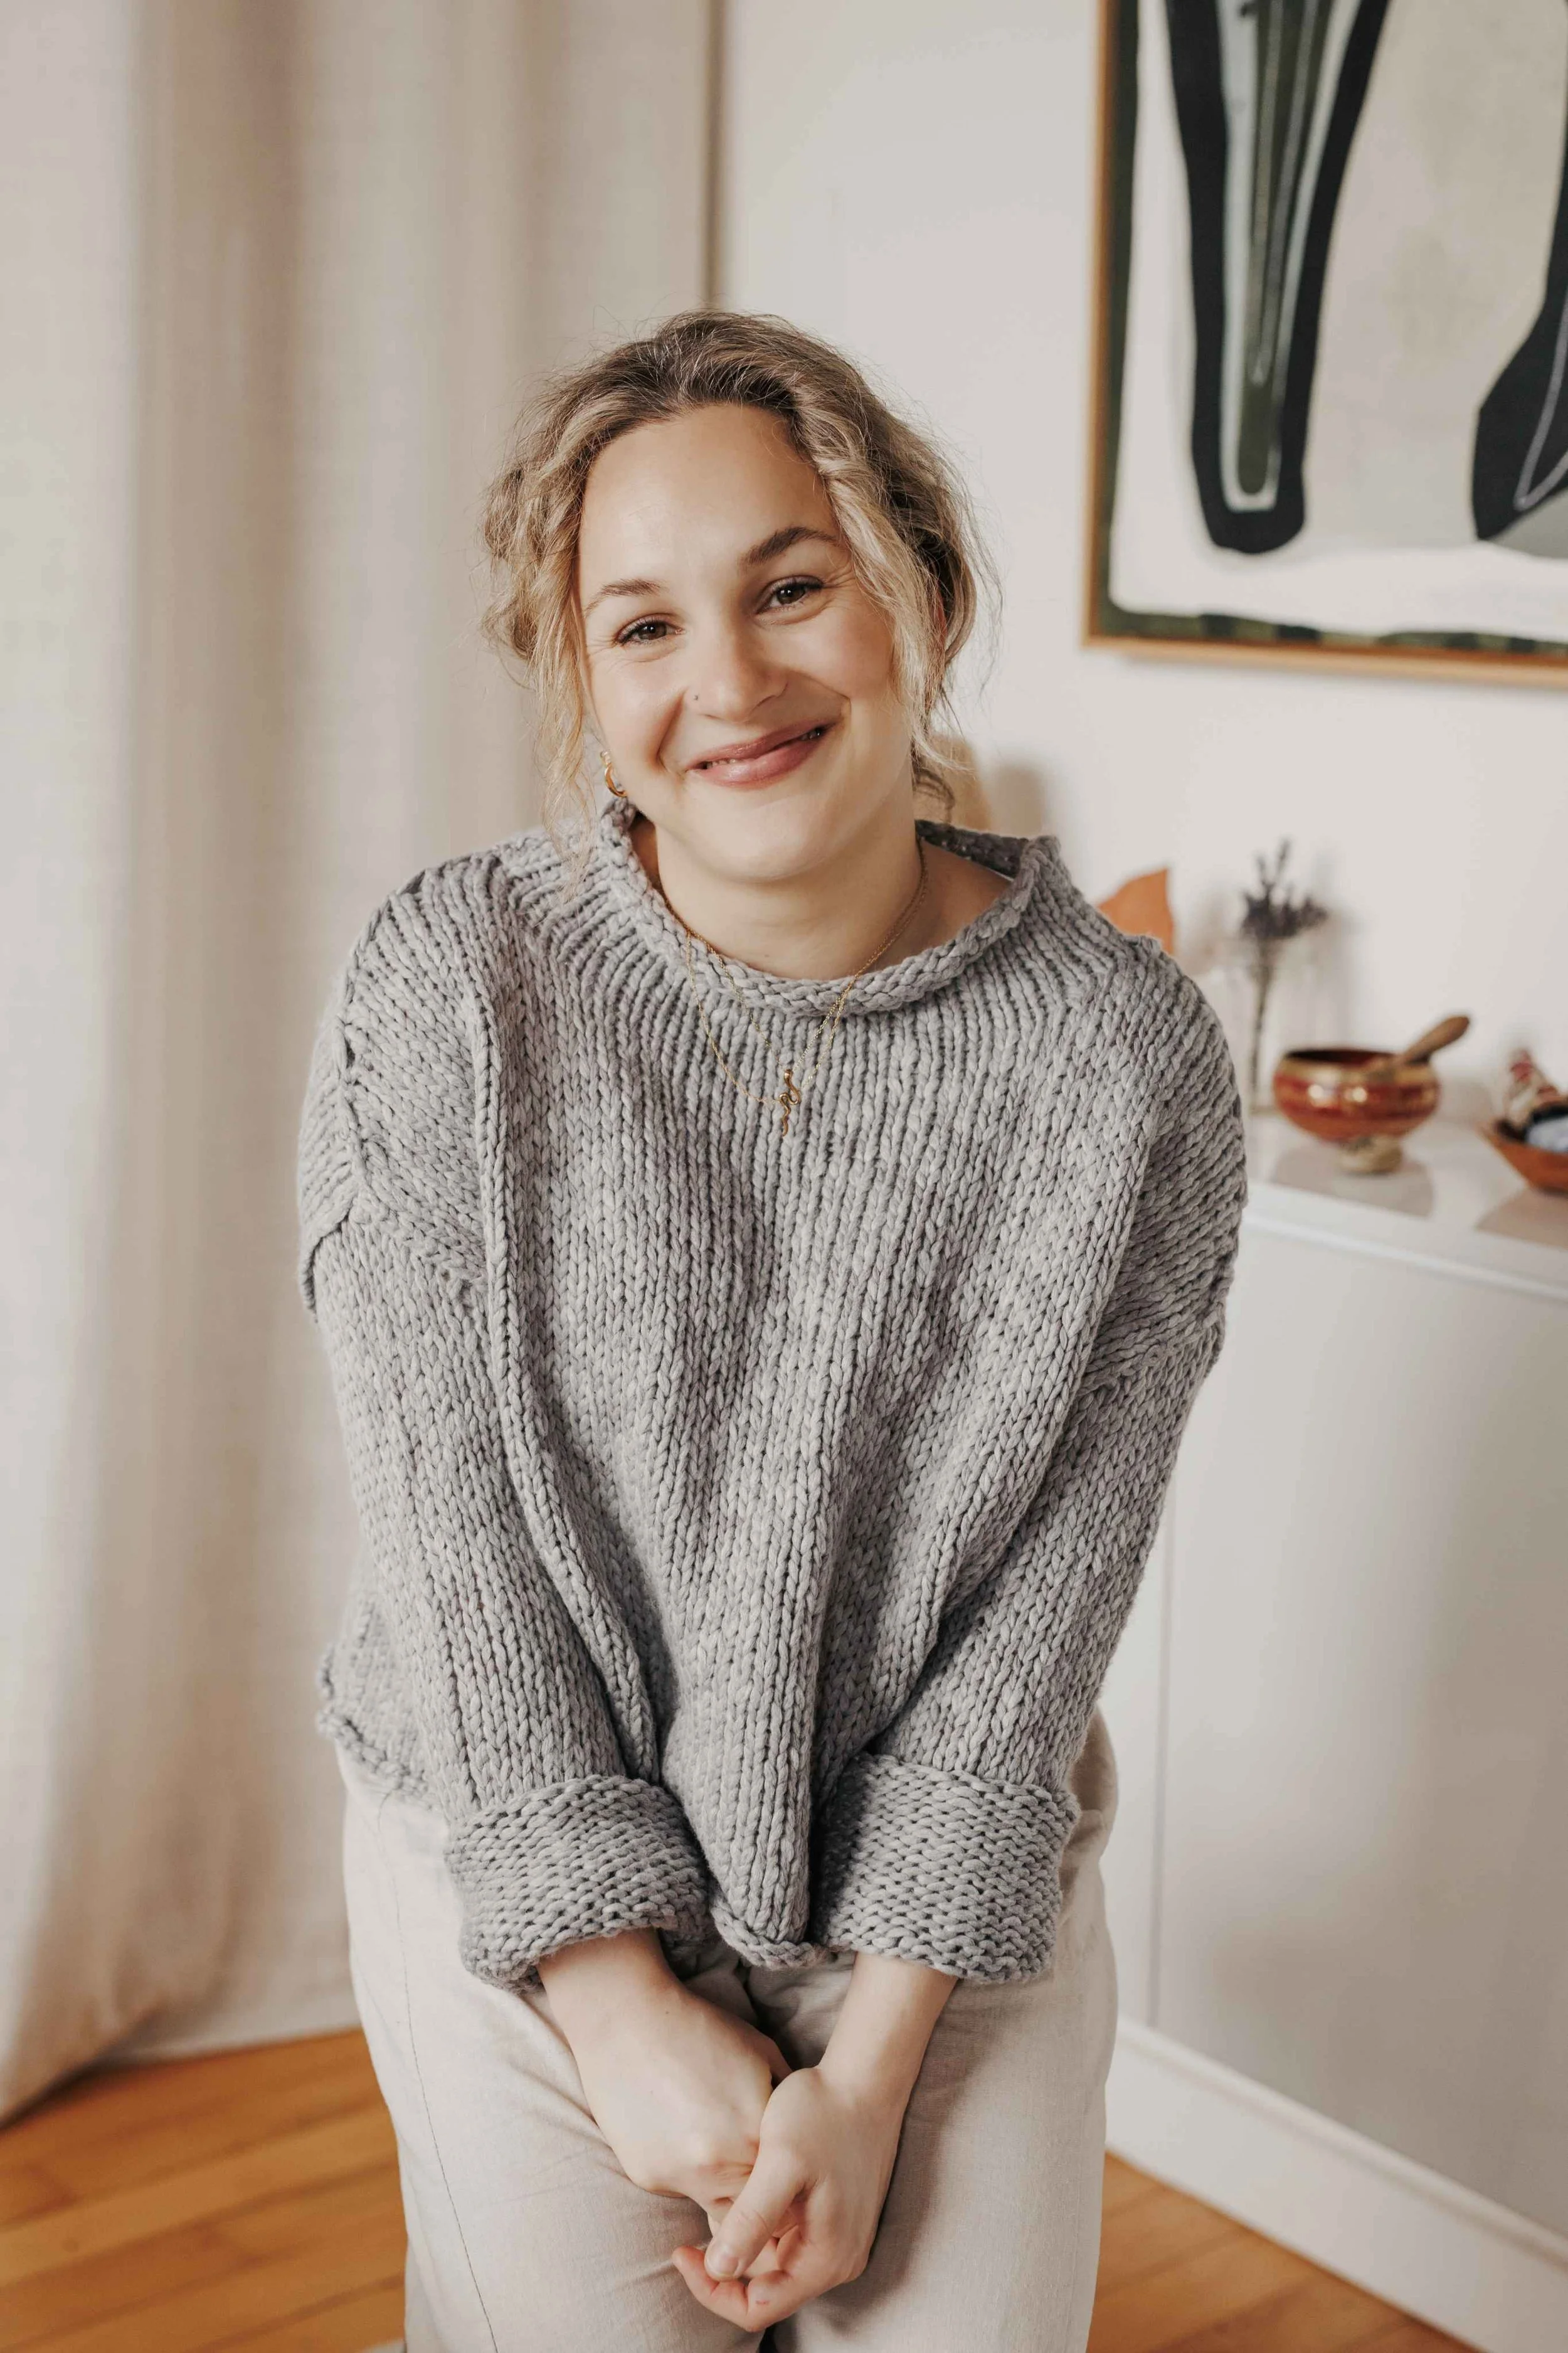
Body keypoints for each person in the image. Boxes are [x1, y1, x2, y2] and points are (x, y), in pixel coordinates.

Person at [295, 309, 1247, 2353]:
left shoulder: (1128, 1059)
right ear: (582, 680)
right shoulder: (452, 991)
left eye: (788, 585)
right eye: (641, 626)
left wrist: (875, 2060)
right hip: (523, 1854)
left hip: (930, 1898)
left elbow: (1043, 1613)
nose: (727, 682)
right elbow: (455, 1549)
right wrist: (613, 1996)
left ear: (917, 588)